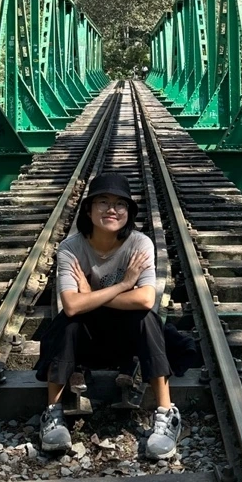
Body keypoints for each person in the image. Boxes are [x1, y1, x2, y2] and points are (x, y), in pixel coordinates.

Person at [35, 171, 181, 460]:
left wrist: (91, 294)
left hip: (127, 343)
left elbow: (145, 299)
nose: (112, 209)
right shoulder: (71, 248)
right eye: (103, 202)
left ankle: (167, 414)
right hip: (85, 344)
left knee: (147, 319)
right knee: (67, 323)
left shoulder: (139, 244)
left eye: (120, 204)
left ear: (129, 213)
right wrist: (124, 285)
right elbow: (71, 305)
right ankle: (52, 413)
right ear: (88, 209)